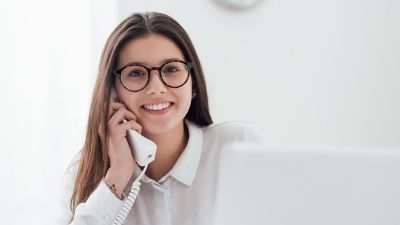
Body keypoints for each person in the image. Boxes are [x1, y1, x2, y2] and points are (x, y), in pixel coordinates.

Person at [57, 12, 261, 225]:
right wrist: (117, 176)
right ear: (113, 92)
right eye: (136, 73)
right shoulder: (84, 170)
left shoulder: (236, 145)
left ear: (193, 85)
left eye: (171, 69)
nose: (156, 88)